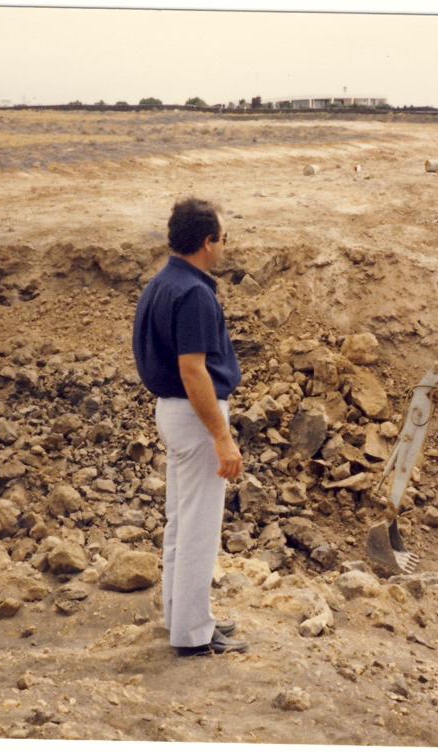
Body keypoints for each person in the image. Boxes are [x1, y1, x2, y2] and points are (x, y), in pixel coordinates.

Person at [132, 198, 248, 657]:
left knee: (181, 522)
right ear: (207, 242)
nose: (224, 246)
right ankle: (195, 635)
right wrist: (222, 436)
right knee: (199, 526)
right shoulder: (196, 294)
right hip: (195, 415)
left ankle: (181, 619)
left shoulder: (162, 283)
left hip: (173, 413)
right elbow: (193, 370)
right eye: (223, 238)